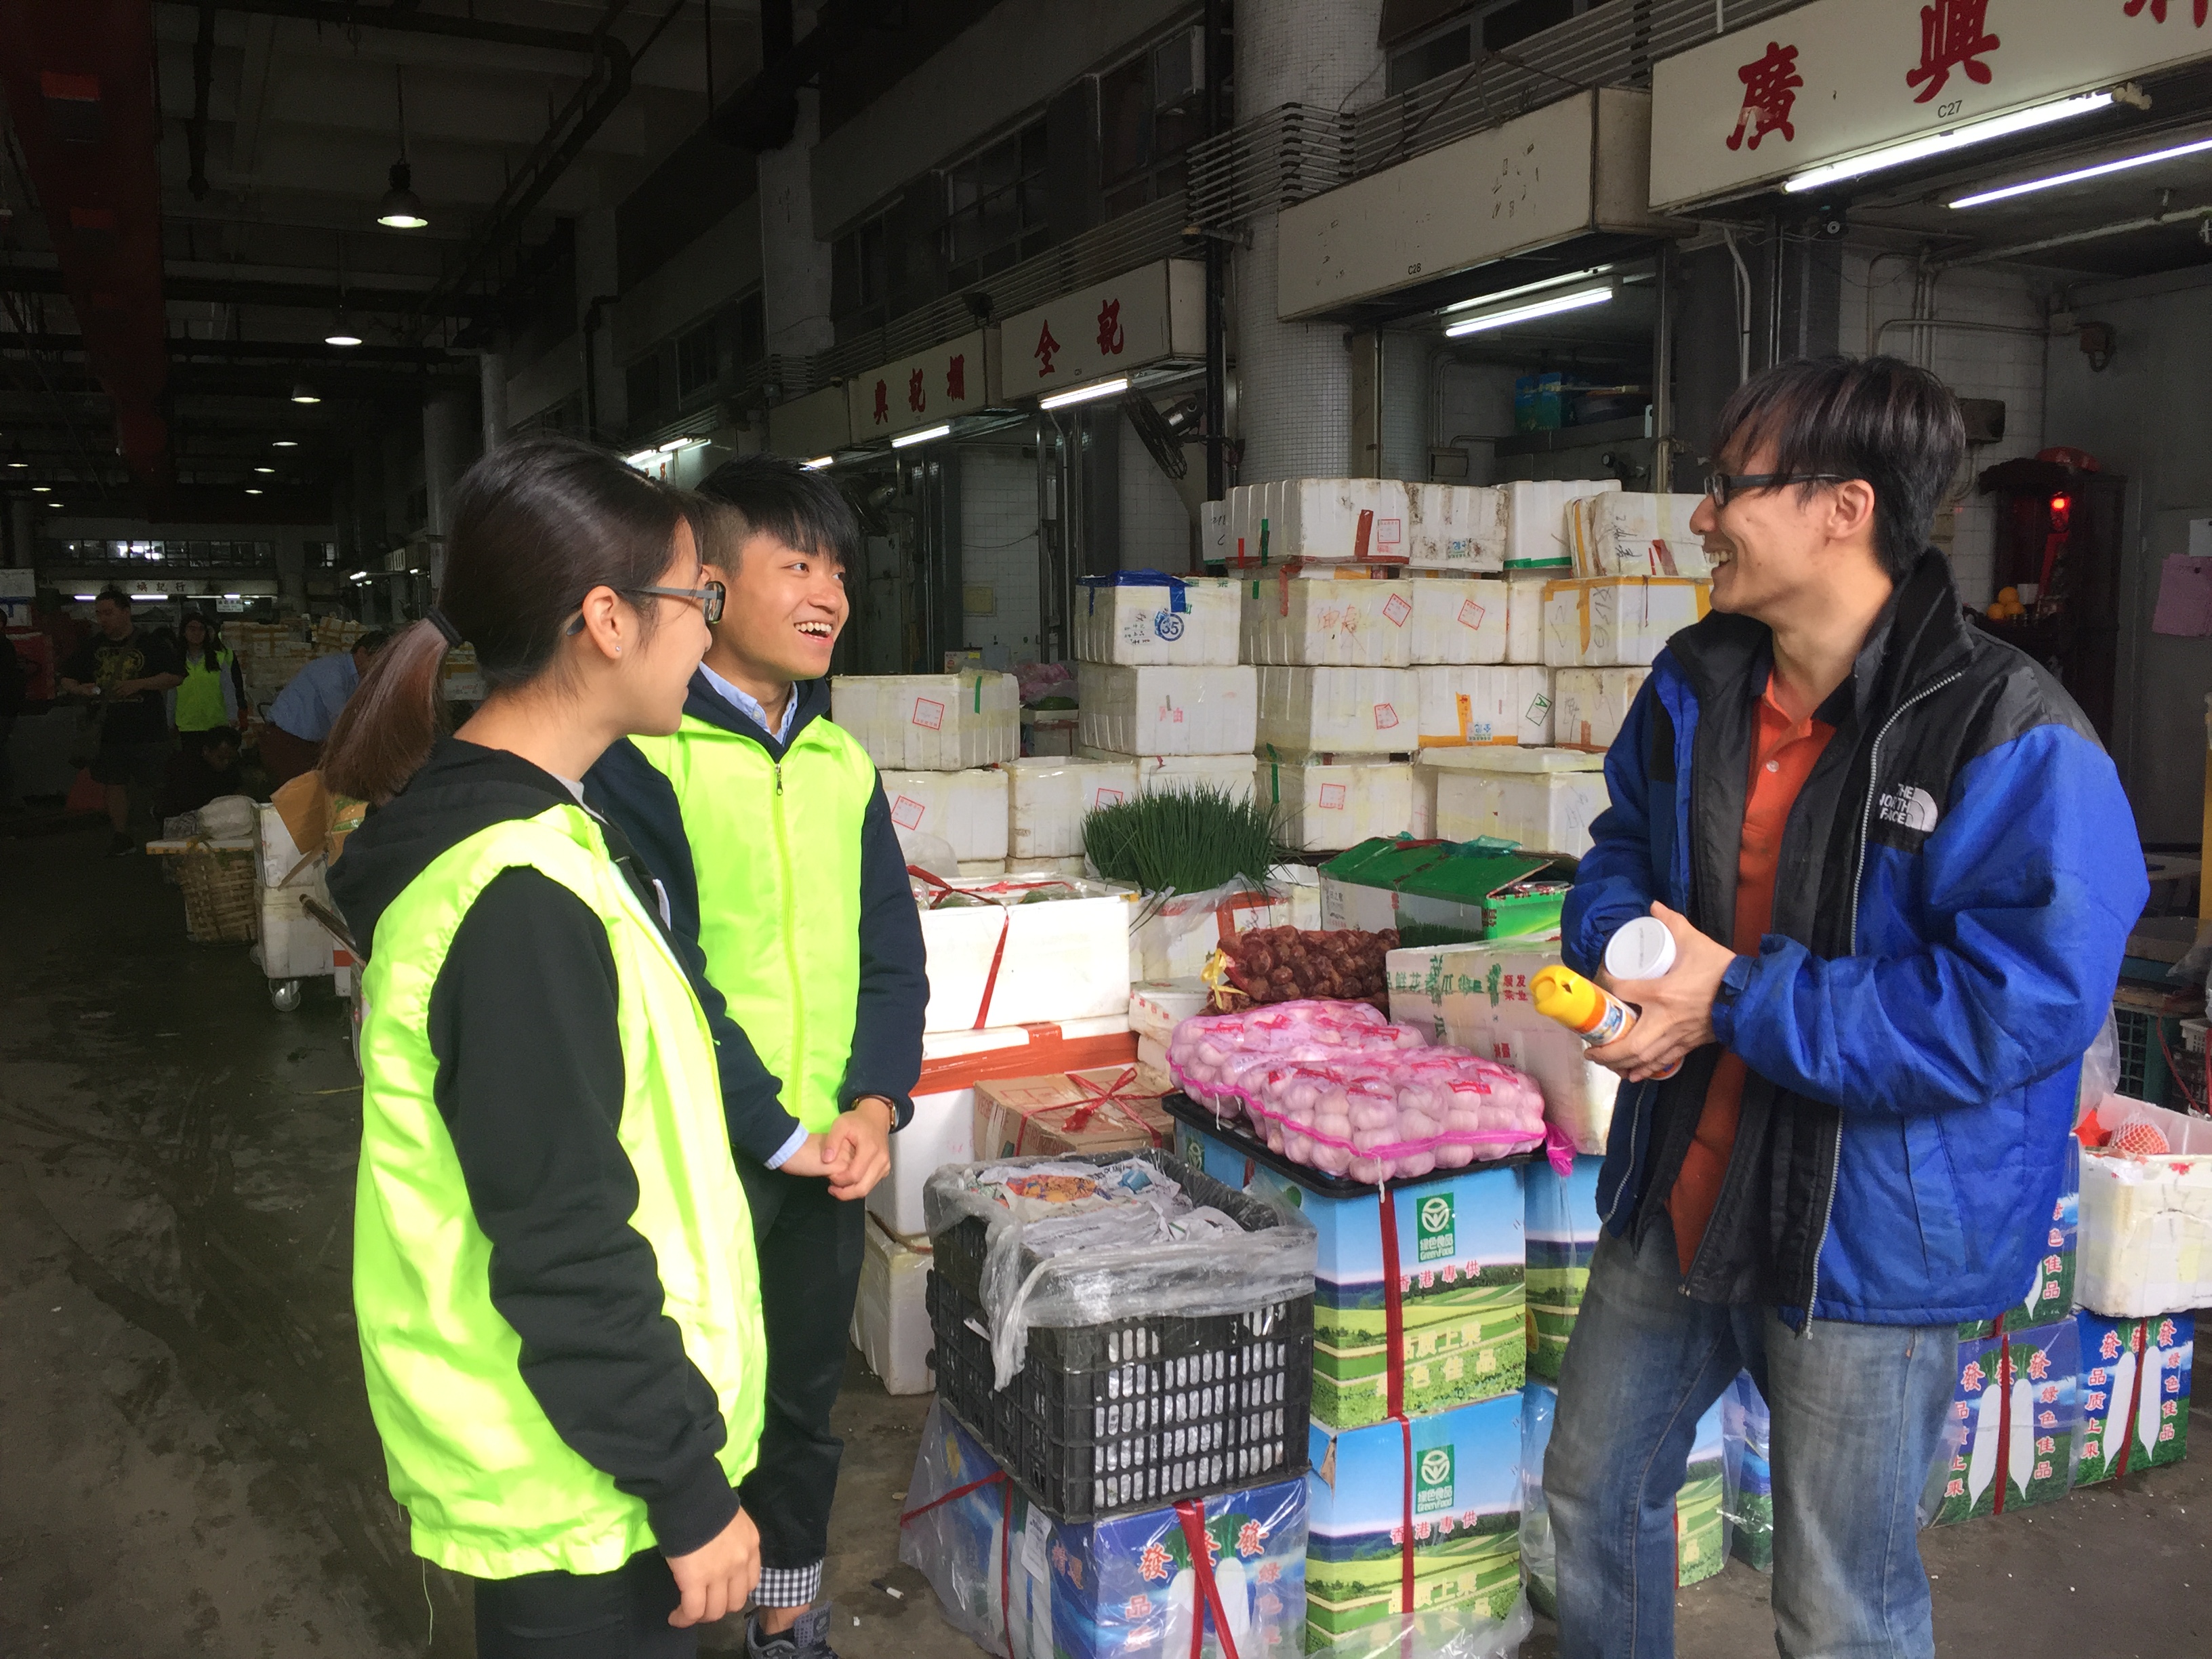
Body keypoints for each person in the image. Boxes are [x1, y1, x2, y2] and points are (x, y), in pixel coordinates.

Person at [1540, 355, 2146, 1659]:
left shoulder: (2008, 733)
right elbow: (1613, 856)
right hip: (1677, 1195)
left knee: (1838, 1603)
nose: (1701, 515)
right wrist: (1634, 958)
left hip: (1868, 1243)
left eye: (1725, 486)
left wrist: (1734, 997)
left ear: (1840, 506)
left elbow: (2014, 1006)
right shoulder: (1693, 683)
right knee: (1587, 1509)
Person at [322, 434, 769, 1659]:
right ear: (609, 619)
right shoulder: (514, 893)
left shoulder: (539, 836)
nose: (710, 635)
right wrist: (685, 1487)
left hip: (585, 1465)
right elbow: (560, 1231)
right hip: (579, 1495)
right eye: (701, 600)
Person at [587, 455, 926, 1659]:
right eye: (797, 564)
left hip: (826, 1148)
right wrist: (769, 1128)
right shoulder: (644, 756)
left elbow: (891, 948)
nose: (828, 591)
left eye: (838, 567)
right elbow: (662, 974)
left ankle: (788, 1614)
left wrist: (877, 1103)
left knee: (798, 1402)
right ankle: (664, 1614)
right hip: (694, 1152)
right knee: (679, 1396)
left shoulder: (842, 765)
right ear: (712, 591)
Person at [58, 586, 184, 855]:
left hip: (148, 730)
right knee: (114, 784)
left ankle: (165, 831)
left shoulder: (150, 644)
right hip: (108, 731)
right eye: (99, 614)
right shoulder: (92, 647)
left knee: (157, 784)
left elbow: (175, 676)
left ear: (126, 613)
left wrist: (139, 684)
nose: (103, 619)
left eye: (108, 613)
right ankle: (121, 836)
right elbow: (66, 677)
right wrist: (80, 689)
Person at [260, 628, 388, 787]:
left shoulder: (358, 678)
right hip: (286, 741)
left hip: (310, 745)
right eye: (378, 661)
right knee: (296, 799)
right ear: (362, 653)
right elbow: (341, 721)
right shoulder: (332, 671)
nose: (380, 669)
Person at [173, 611, 245, 756]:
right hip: (187, 725)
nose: (197, 633)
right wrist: (169, 722)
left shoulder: (218, 658)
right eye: (192, 629)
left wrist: (233, 716)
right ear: (183, 632)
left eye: (201, 629)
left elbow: (228, 689)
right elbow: (171, 694)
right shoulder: (176, 661)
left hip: (216, 724)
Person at [157, 724, 245, 820]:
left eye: (230, 759)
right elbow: (185, 804)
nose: (226, 763)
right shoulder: (184, 765)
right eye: (221, 758)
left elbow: (237, 790)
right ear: (206, 751)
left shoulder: (230, 765)